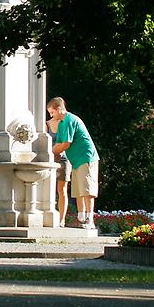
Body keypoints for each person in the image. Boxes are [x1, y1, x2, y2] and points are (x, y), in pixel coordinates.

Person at [48, 97, 100, 229]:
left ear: (59, 109)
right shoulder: (62, 123)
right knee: (78, 190)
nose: (51, 116)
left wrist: (48, 153)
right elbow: (58, 144)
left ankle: (90, 220)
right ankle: (81, 218)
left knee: (87, 190)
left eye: (52, 112)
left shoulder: (69, 120)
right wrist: (49, 152)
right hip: (76, 160)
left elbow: (65, 144)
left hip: (86, 157)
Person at [47, 114, 71, 227]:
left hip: (64, 159)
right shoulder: (47, 124)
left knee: (62, 189)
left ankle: (61, 220)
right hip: (49, 159)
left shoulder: (65, 123)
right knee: (48, 189)